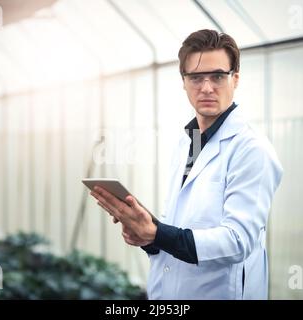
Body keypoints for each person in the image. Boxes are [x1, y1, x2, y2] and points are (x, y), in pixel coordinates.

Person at [90, 29, 283, 300]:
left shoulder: (252, 150)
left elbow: (237, 242)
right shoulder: (188, 142)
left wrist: (157, 233)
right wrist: (148, 237)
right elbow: (179, 227)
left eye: (217, 76)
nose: (206, 87)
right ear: (183, 82)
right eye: (196, 77)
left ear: (235, 79)